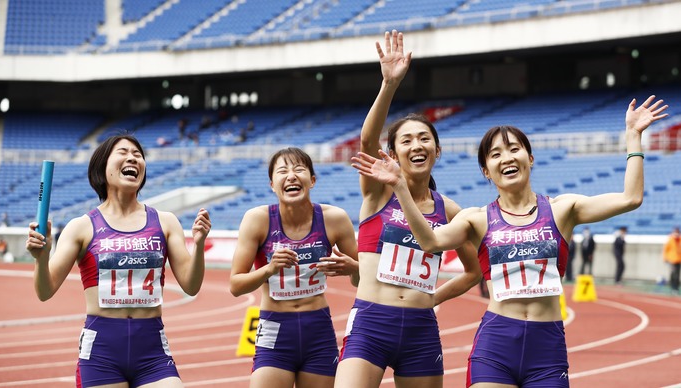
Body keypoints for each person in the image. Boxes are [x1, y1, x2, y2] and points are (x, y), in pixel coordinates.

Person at [352, 95, 668, 387]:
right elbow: (432, 242)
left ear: (529, 158)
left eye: (514, 148)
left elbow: (631, 198)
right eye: (495, 153)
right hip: (496, 345)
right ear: (486, 171)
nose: (507, 157)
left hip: (548, 348)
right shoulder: (476, 219)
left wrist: (633, 136)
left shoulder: (563, 209)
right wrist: (401, 187)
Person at [334, 30, 482, 388]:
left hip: (421, 330)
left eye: (424, 138)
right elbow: (367, 141)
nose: (417, 145)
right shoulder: (378, 193)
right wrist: (389, 85)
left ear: (436, 150)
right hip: (371, 322)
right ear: (394, 153)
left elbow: (474, 271)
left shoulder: (450, 210)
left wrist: (434, 298)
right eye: (406, 140)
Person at [26, 134, 211, 388]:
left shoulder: (166, 222)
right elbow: (45, 291)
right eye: (123, 152)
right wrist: (41, 257)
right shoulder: (81, 227)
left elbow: (191, 286)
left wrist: (199, 243)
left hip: (152, 352)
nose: (133, 157)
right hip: (101, 352)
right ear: (103, 166)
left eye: (138, 154)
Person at [229, 147, 359, 388]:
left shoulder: (335, 219)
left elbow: (364, 281)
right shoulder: (257, 219)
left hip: (318, 329)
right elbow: (236, 285)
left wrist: (354, 267)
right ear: (272, 184)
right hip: (274, 327)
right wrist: (268, 269)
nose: (291, 176)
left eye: (299, 169)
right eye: (282, 171)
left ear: (312, 180)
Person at [663, 226, 681, 294]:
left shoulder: (680, 240)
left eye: (677, 232)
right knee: (673, 274)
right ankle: (672, 287)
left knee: (677, 275)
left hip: (679, 260)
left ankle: (676, 288)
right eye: (675, 232)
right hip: (672, 260)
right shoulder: (670, 240)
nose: (676, 233)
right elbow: (666, 250)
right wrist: (665, 258)